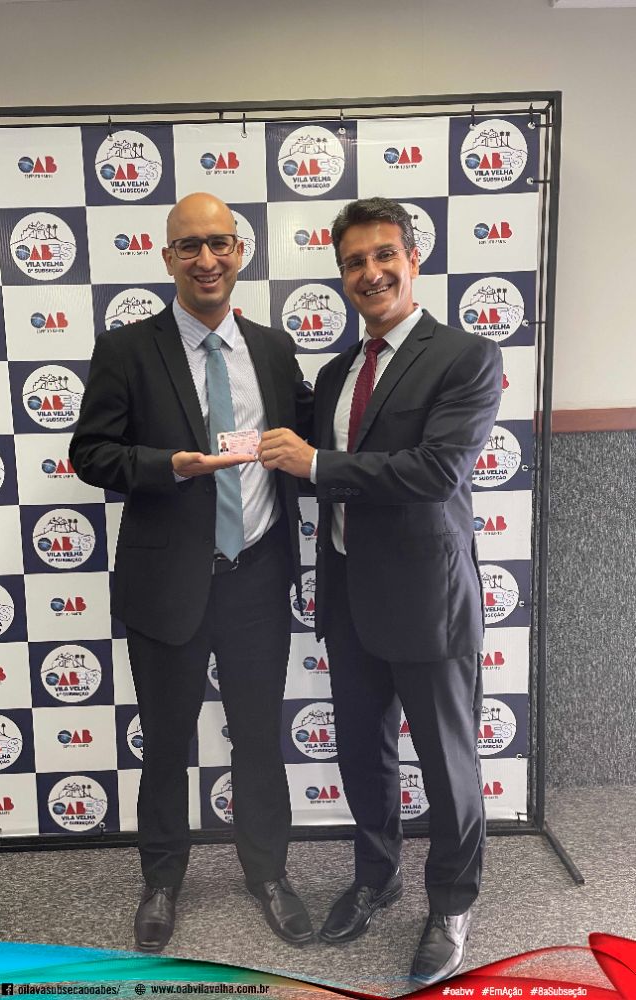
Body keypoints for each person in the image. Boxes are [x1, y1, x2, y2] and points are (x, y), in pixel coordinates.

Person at [257, 197, 502, 985]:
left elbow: (436, 473)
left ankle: (452, 903)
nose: (371, 273)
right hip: (348, 598)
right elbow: (313, 470)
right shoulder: (337, 373)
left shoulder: (466, 356)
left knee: (448, 766)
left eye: (383, 255)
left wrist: (317, 464)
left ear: (412, 259)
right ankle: (377, 875)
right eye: (354, 262)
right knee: (364, 753)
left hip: (428, 600)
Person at [69, 193, 314, 952]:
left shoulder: (272, 349)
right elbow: (90, 453)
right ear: (167, 256)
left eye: (219, 243)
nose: (206, 259)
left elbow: (311, 439)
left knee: (258, 739)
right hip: (167, 581)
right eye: (189, 246)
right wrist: (166, 466)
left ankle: (268, 874)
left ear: (239, 251)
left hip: (256, 575)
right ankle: (161, 880)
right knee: (168, 742)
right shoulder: (126, 349)